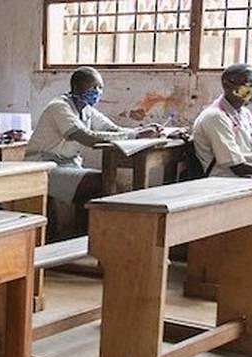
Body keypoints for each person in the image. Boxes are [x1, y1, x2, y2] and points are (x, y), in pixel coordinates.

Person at [25, 66, 160, 239]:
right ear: (77, 87)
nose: (97, 92)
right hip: (43, 166)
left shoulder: (86, 109)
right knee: (99, 183)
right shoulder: (59, 107)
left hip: (67, 164)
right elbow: (85, 137)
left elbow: (112, 129)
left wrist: (142, 131)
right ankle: (86, 238)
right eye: (93, 87)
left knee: (102, 183)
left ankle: (83, 238)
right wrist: (134, 135)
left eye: (100, 88)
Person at [192, 64, 252, 178]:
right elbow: (237, 167)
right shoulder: (215, 117)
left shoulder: (245, 114)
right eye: (248, 84)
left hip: (250, 175)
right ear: (227, 85)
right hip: (228, 179)